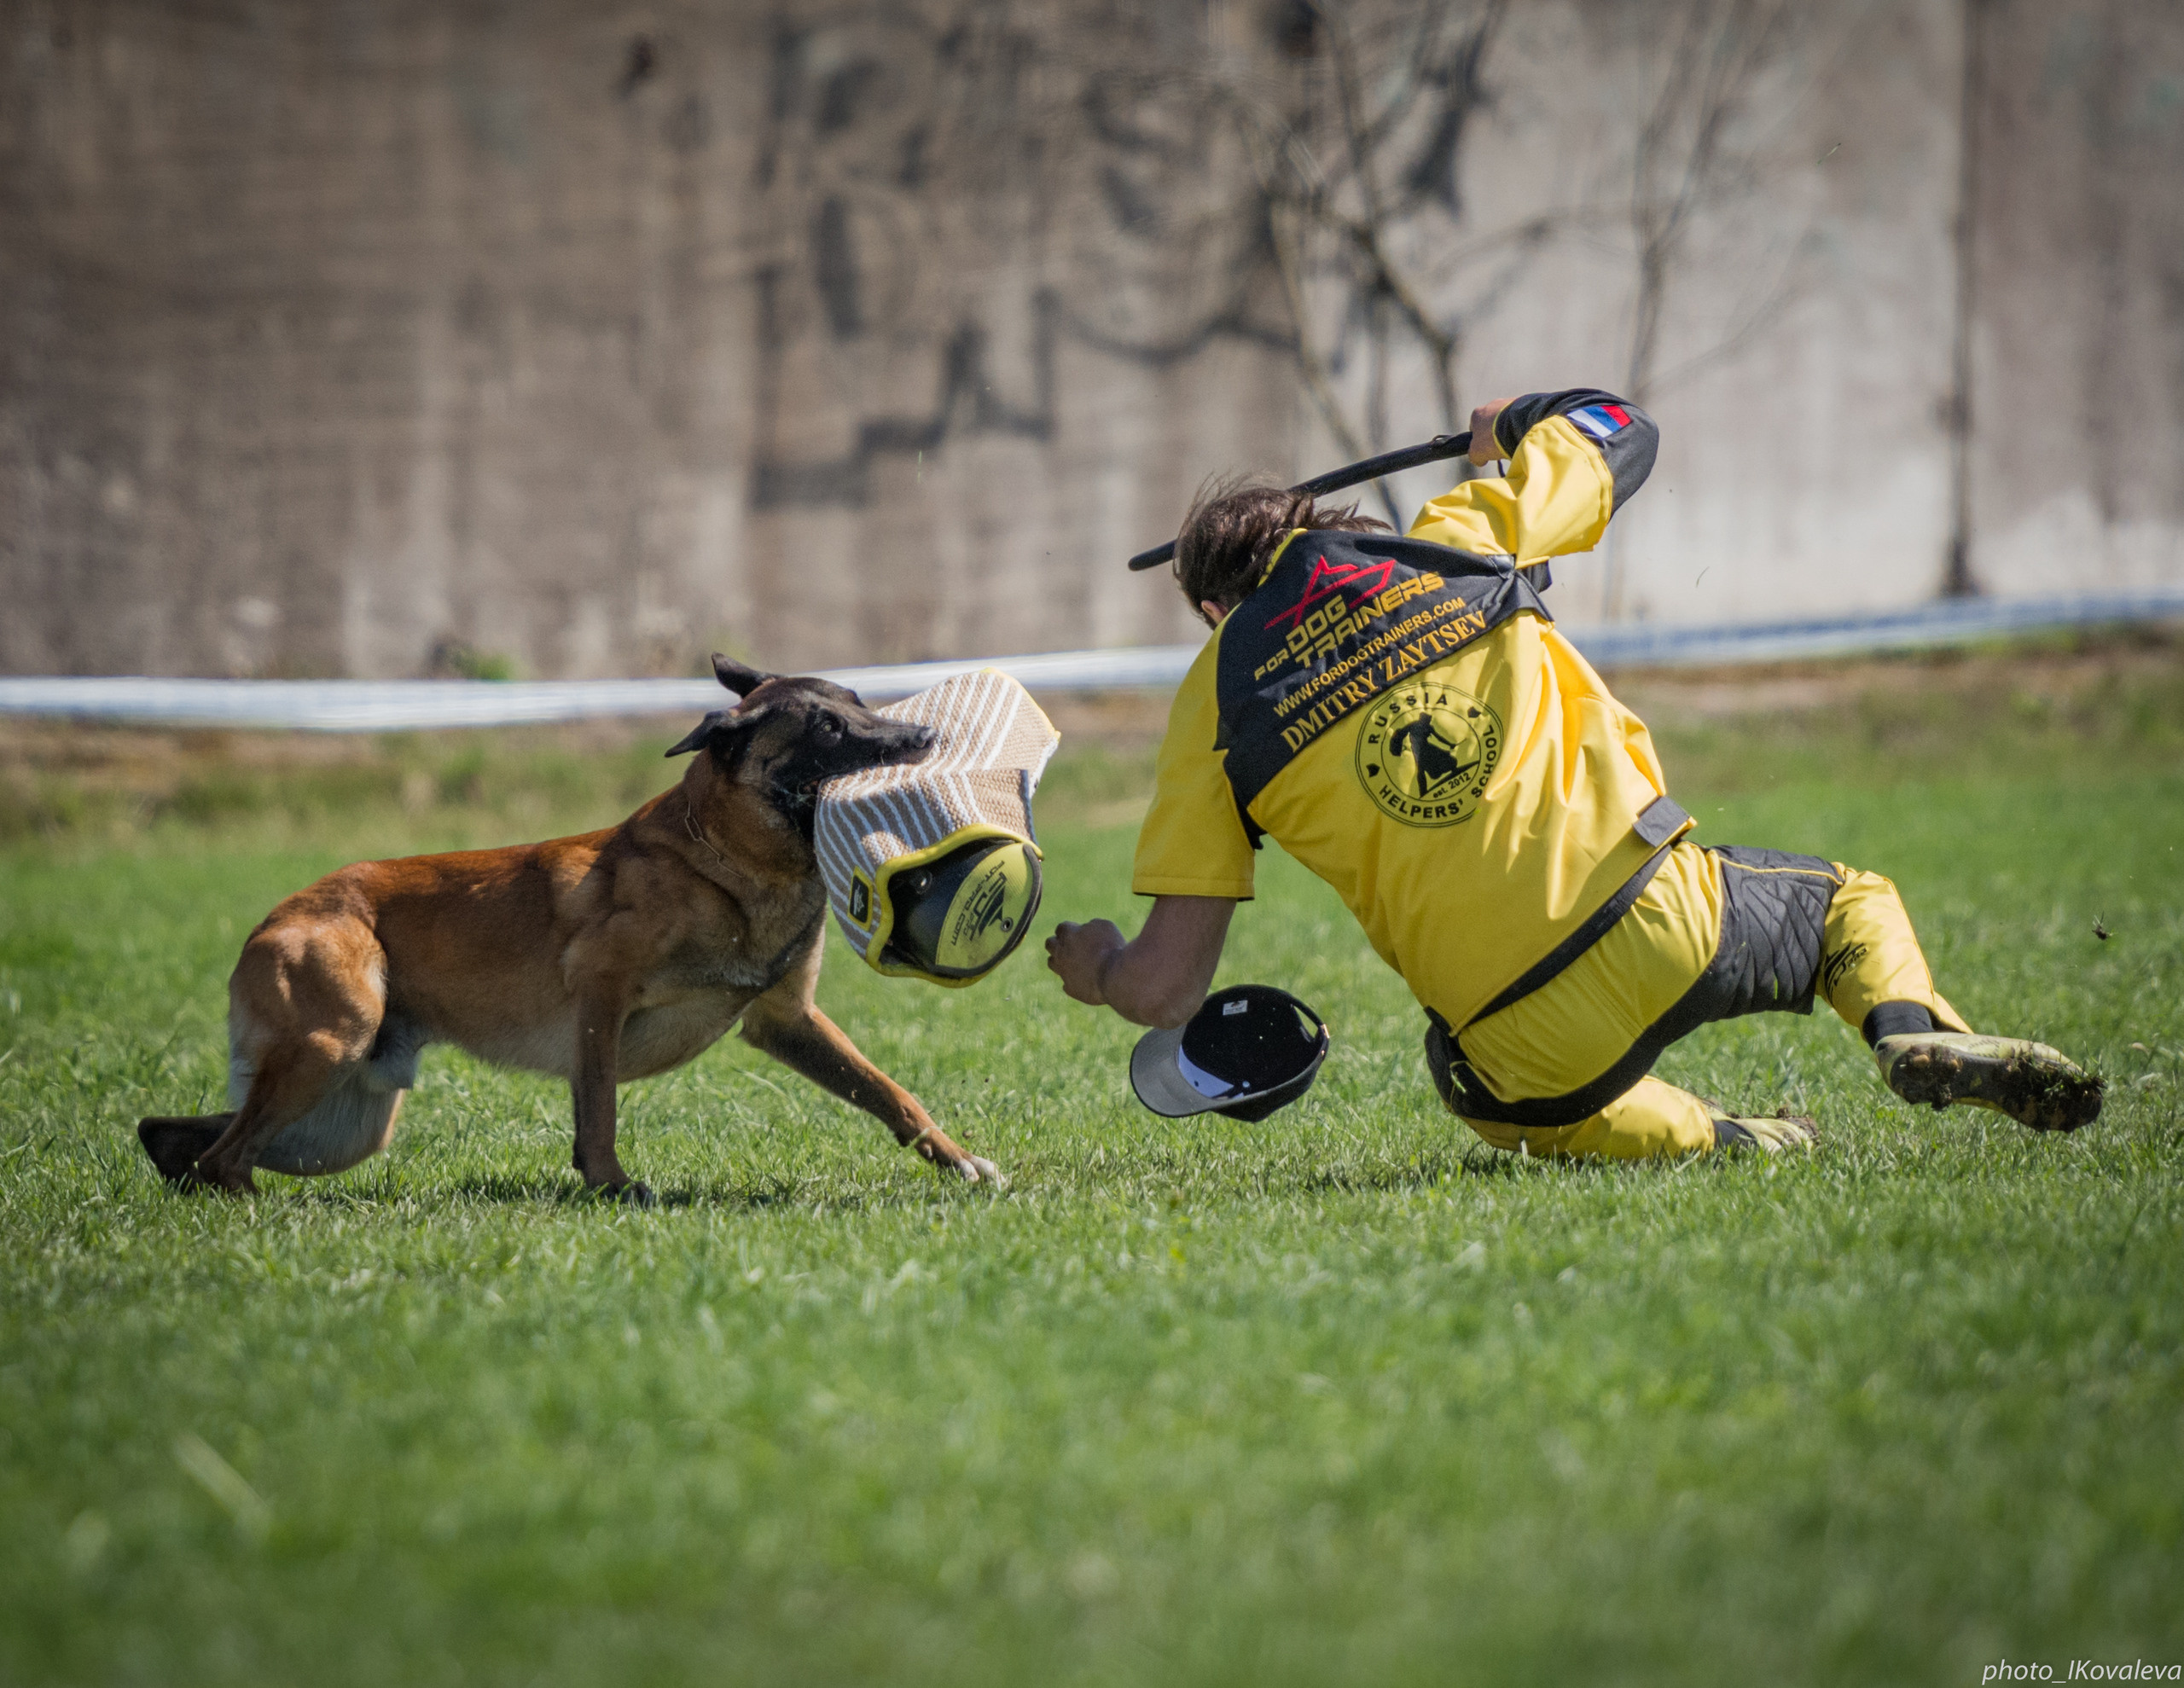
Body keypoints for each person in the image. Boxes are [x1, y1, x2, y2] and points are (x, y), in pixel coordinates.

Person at [1045, 388, 2103, 1157]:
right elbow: (1618, 425)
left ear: (1209, 611)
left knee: (1478, 1090)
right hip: (1663, 915)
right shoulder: (1452, 540)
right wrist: (1515, 422)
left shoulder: (1211, 703)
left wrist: (1095, 964)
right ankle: (1908, 1034)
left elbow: (1165, 987)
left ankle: (1728, 1140)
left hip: (1521, 1029)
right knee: (1845, 911)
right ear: (1326, 528)